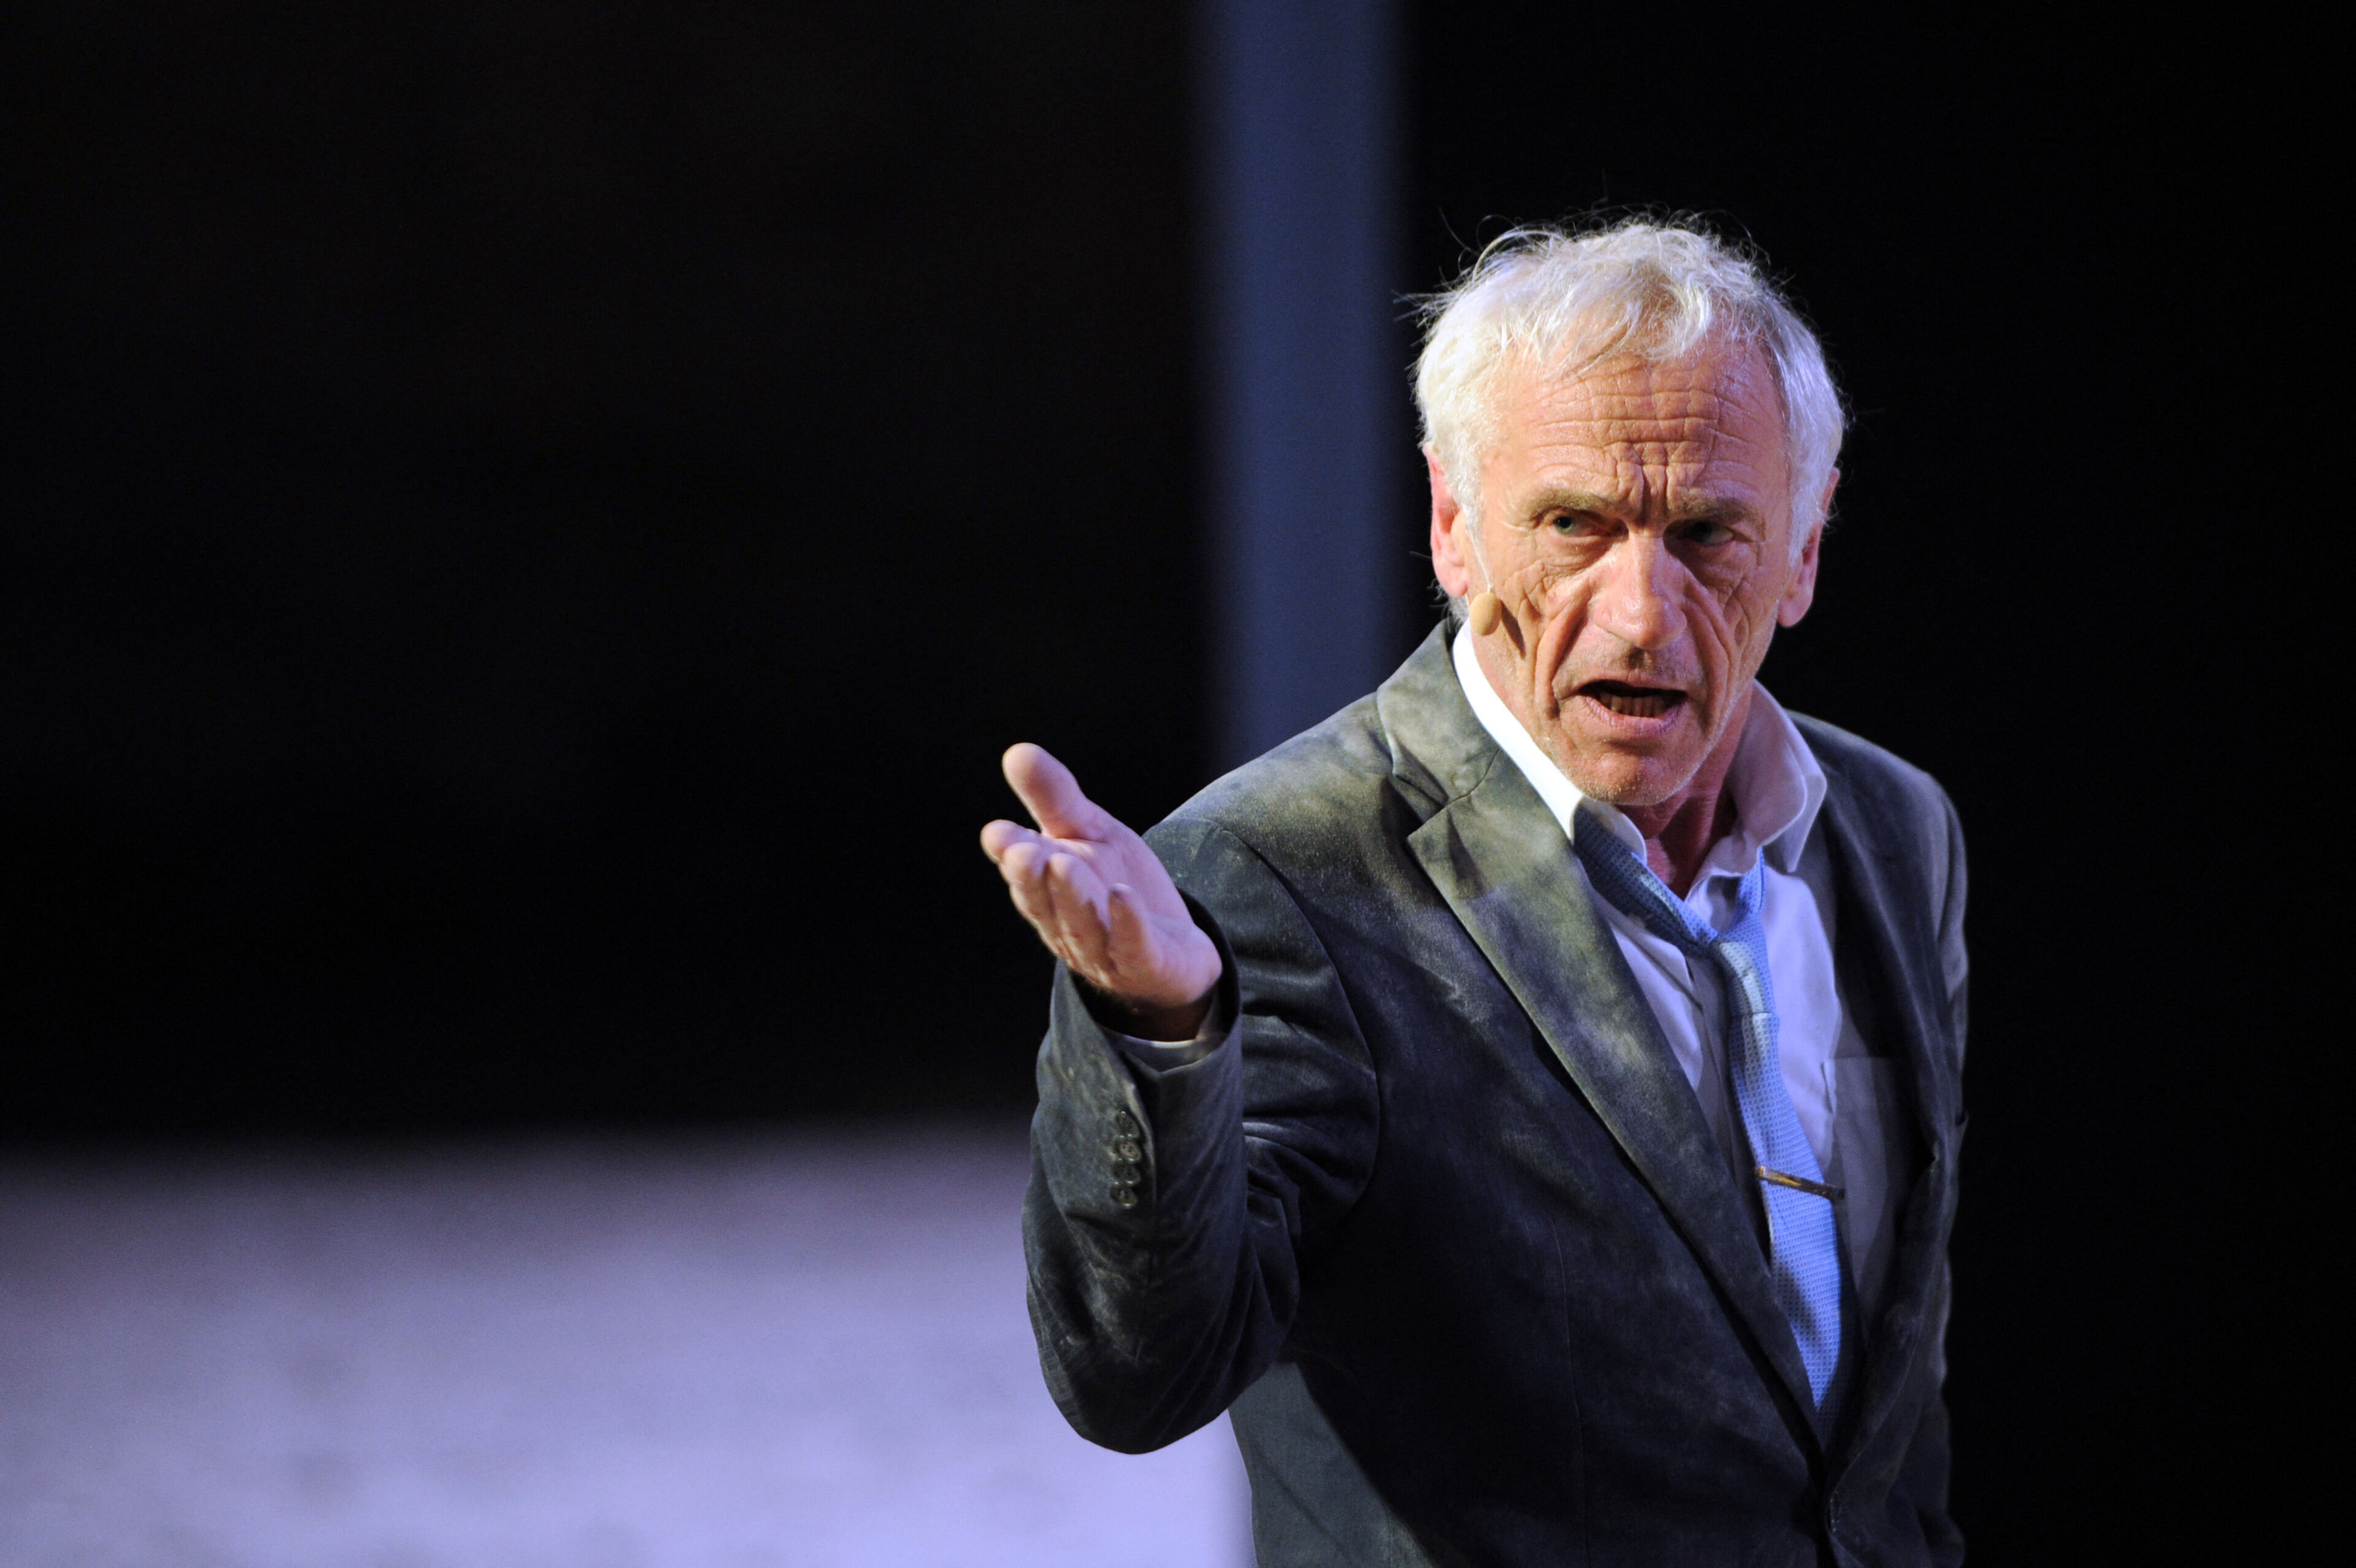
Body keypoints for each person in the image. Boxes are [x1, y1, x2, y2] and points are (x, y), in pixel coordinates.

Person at [980, 220, 1967, 1567]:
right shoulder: (1278, 874)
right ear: (1454, 525)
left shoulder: (1896, 828)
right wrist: (1160, 1033)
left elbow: (1885, 1419)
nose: (1641, 615)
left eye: (1705, 533)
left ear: (1803, 547)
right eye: (1573, 524)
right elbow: (1137, 1377)